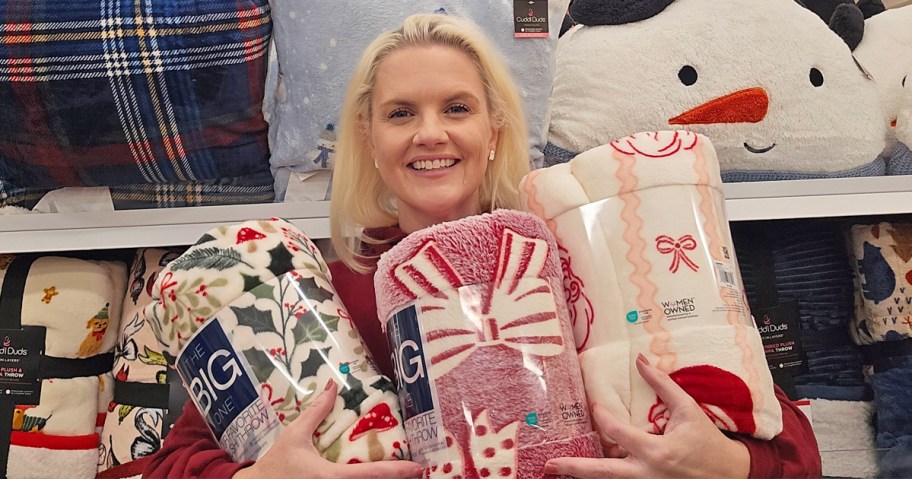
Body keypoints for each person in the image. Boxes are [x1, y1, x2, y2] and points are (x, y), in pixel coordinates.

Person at [143, 12, 821, 479]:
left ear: (495, 127)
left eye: (456, 108)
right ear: (370, 139)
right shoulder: (316, 286)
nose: (430, 133)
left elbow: (793, 447)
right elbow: (172, 462)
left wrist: (728, 464)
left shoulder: (573, 252)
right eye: (401, 113)